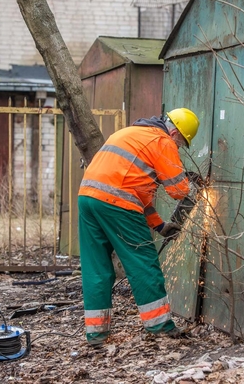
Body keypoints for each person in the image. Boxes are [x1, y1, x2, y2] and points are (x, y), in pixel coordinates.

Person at [77, 108, 200, 346]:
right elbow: (178, 191)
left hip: (87, 199)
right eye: (181, 143)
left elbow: (139, 192)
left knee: (96, 268)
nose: (179, 148)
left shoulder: (132, 133)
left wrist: (159, 225)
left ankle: (96, 334)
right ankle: (160, 326)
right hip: (117, 203)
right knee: (143, 262)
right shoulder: (162, 140)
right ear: (173, 132)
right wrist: (191, 183)